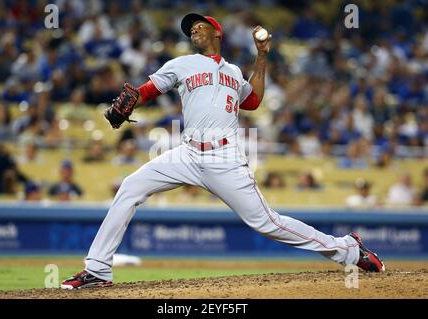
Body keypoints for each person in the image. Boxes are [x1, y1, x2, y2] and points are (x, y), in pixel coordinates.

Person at [61, 13, 385, 290]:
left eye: (200, 26)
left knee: (266, 222)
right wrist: (134, 101)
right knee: (130, 186)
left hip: (225, 158)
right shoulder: (182, 64)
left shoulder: (232, 72)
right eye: (190, 29)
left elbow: (254, 101)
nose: (193, 31)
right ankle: (98, 270)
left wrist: (262, 55)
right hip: (186, 154)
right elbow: (147, 89)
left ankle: (348, 250)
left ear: (218, 32)